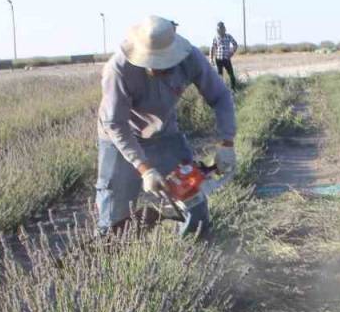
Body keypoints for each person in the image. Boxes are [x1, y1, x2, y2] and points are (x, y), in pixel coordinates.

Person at [97, 16, 237, 237]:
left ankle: (195, 256)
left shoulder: (190, 58)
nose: (158, 68)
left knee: (193, 198)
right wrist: (145, 169)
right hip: (121, 137)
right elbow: (115, 122)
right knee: (115, 210)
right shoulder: (119, 69)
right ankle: (107, 257)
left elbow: (220, 95)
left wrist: (226, 143)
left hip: (164, 134)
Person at [210, 22, 240, 91]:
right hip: (218, 59)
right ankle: (220, 91)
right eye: (218, 29)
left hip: (226, 59)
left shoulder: (228, 36)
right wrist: (211, 59)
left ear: (224, 29)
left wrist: (232, 53)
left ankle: (233, 89)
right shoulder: (216, 38)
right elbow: (212, 48)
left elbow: (235, 44)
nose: (219, 30)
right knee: (219, 76)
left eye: (221, 29)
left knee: (231, 75)